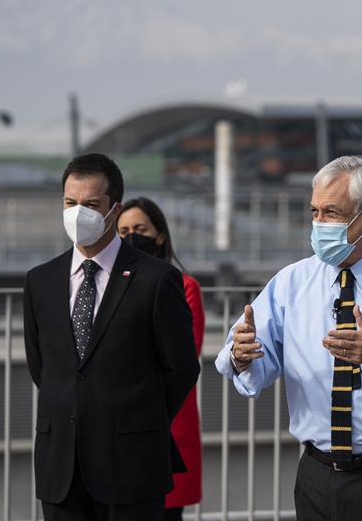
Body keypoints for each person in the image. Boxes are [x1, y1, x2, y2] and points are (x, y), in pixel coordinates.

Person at [215, 155, 362, 521]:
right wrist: (242, 354)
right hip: (317, 474)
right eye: (314, 212)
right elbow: (247, 357)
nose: (318, 224)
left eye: (331, 212)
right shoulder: (290, 282)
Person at [23, 153, 200, 520]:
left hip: (133, 466)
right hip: (61, 470)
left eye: (91, 204)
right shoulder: (40, 281)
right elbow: (43, 367)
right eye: (70, 203)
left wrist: (138, 420)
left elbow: (181, 368)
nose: (77, 213)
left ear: (113, 210)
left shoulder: (156, 279)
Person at [117, 197, 204, 521]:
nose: (131, 236)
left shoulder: (185, 287)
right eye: (123, 230)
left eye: (140, 229)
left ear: (161, 234)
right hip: (114, 432)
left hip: (167, 428)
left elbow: (180, 358)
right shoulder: (105, 286)